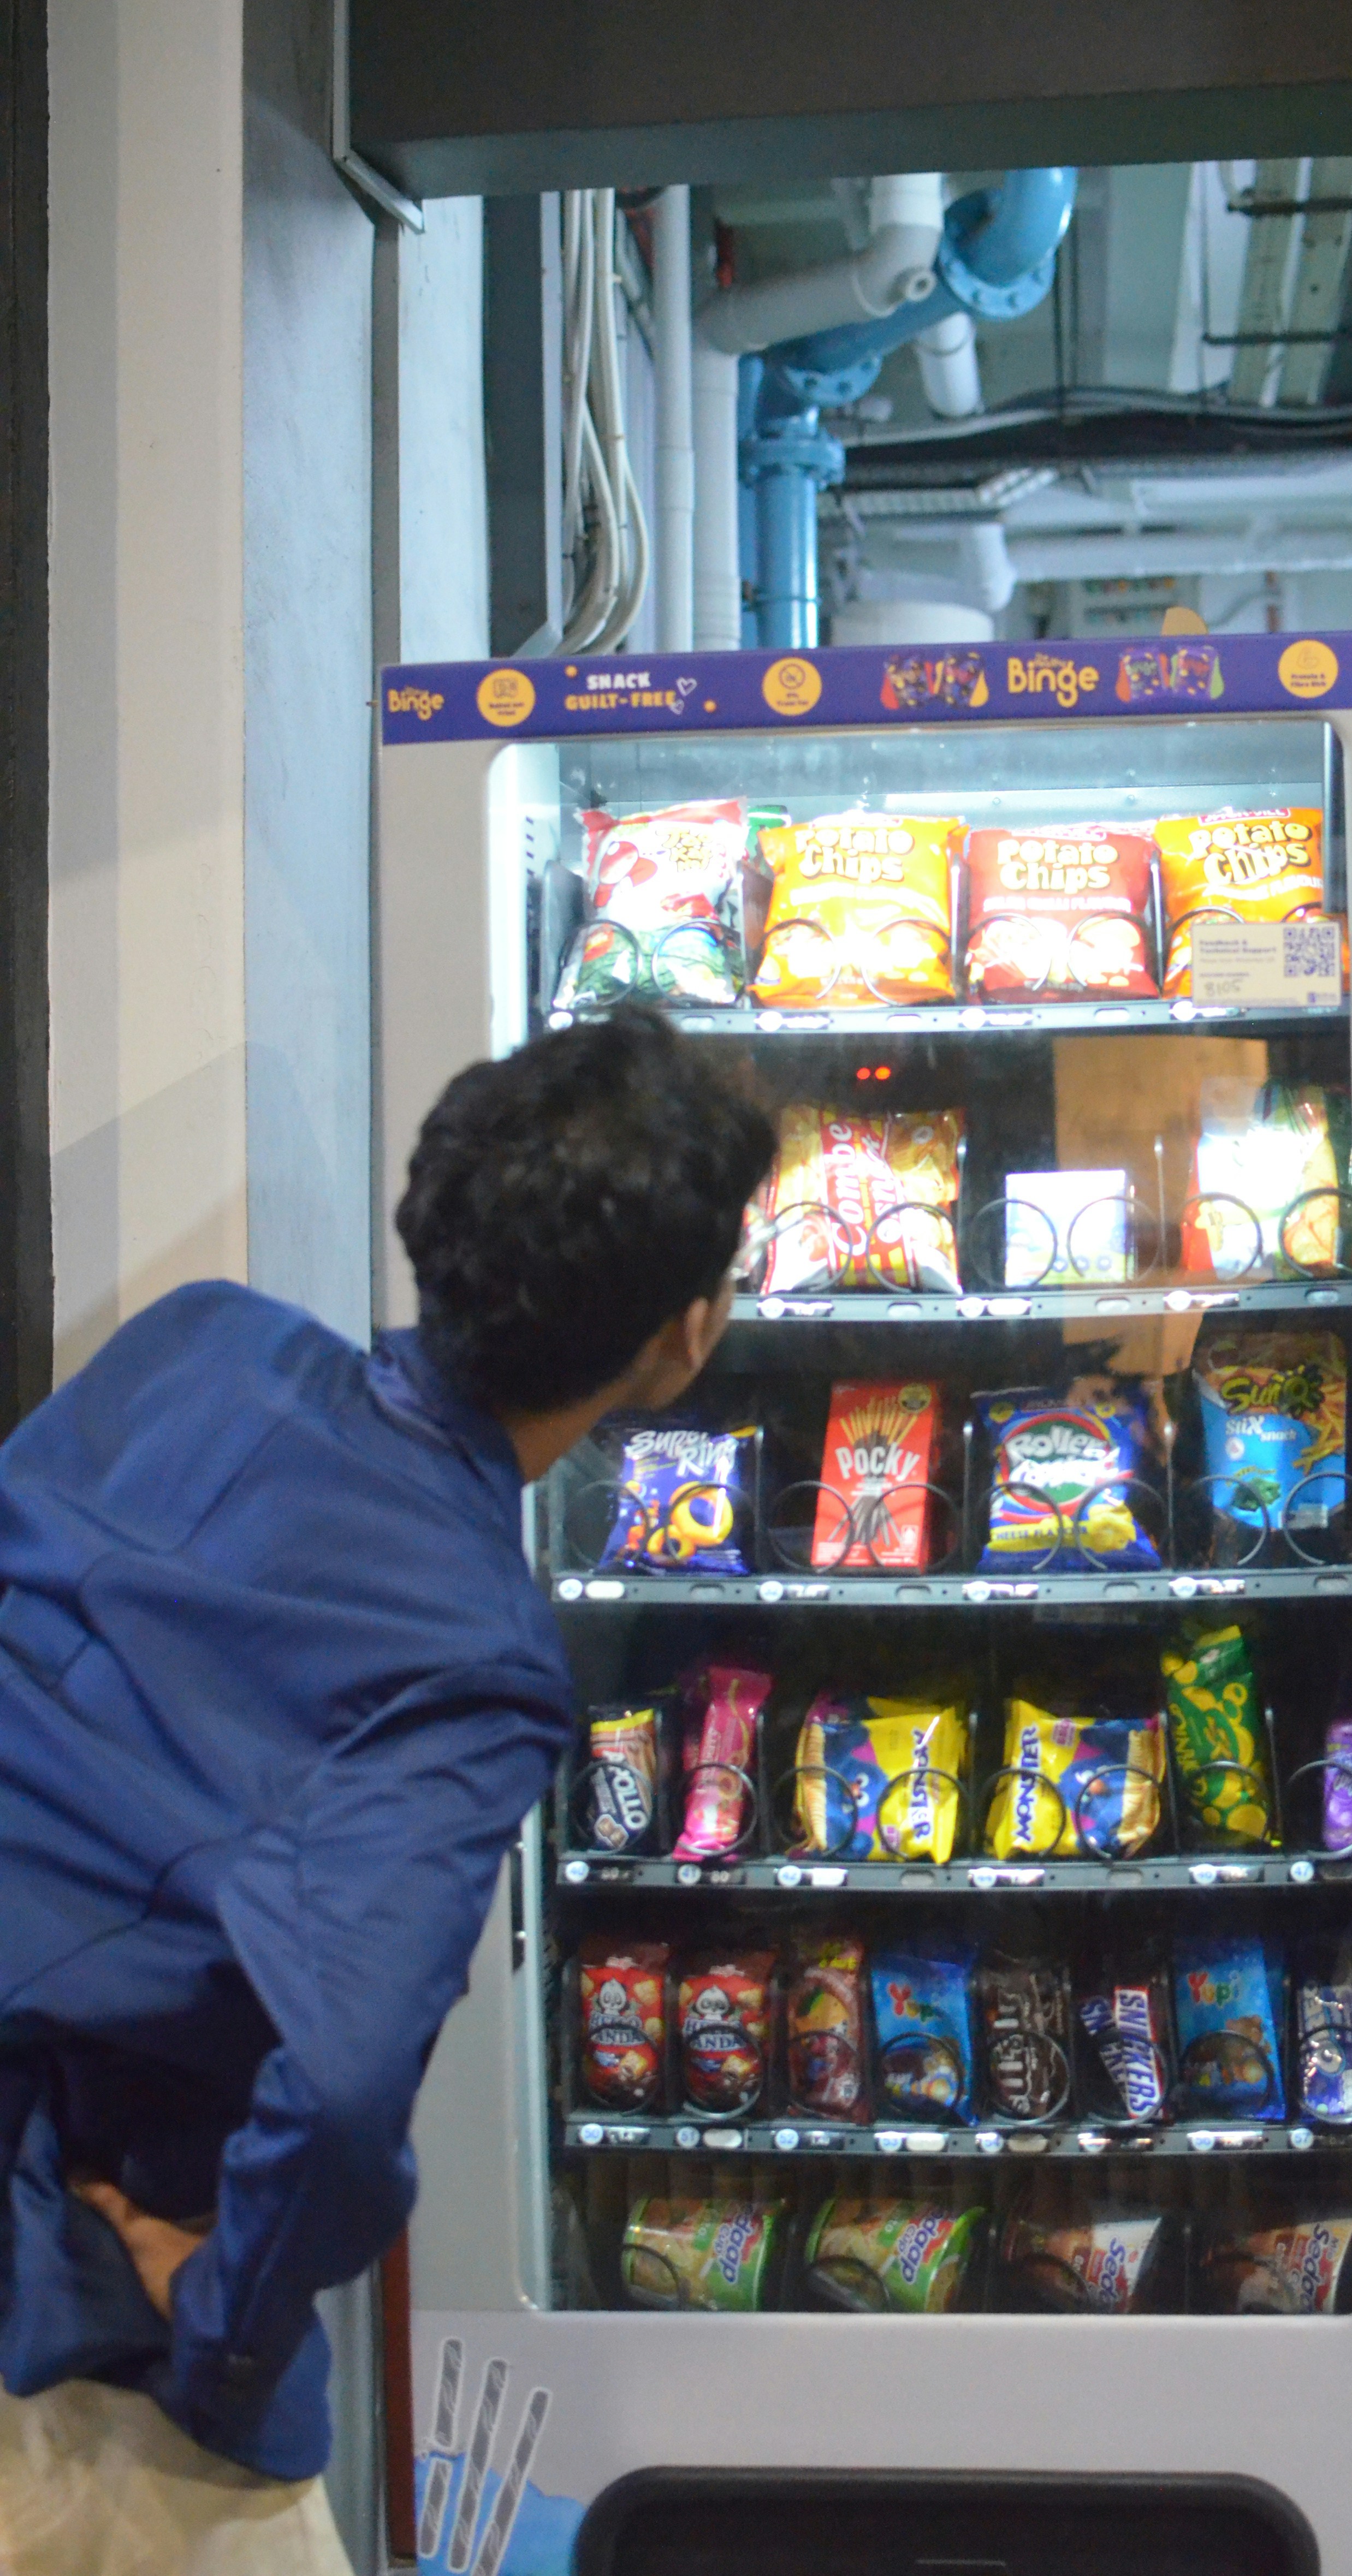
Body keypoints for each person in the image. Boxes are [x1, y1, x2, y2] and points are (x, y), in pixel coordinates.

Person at [0, 1007, 773, 2573]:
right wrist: (219, 2335)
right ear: (683, 1336)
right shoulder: (478, 1659)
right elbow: (347, 2092)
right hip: (66, 2329)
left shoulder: (198, 1339)